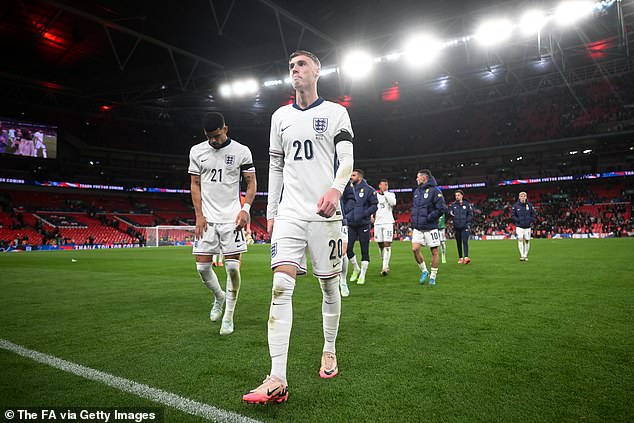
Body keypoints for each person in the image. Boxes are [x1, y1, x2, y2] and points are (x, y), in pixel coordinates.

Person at [243, 50, 354, 405]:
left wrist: (336, 189)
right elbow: (275, 167)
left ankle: (330, 347)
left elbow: (347, 158)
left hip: (324, 214)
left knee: (329, 286)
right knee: (280, 287)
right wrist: (272, 211)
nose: (295, 70)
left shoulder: (336, 112)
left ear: (317, 70)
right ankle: (277, 377)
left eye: (302, 64)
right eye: (291, 66)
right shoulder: (279, 117)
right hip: (290, 212)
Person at [189, 112, 257, 335]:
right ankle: (219, 297)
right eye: (210, 137)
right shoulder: (197, 151)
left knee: (231, 267)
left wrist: (245, 209)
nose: (214, 141)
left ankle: (228, 316)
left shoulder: (241, 151)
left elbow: (251, 183)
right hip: (207, 219)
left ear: (225, 129)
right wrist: (199, 215)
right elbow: (195, 184)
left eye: (217, 135)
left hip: (231, 218)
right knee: (202, 268)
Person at [411, 169, 447, 285]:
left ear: (423, 178)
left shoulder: (435, 191)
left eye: (418, 177)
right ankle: (424, 271)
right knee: (415, 249)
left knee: (434, 252)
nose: (416, 179)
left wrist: (429, 217)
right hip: (418, 227)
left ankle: (433, 276)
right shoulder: (416, 192)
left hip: (430, 227)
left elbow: (442, 208)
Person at [345, 169, 378, 285]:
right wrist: (348, 216)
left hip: (364, 224)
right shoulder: (349, 189)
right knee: (347, 249)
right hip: (351, 224)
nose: (351, 177)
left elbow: (374, 206)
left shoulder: (369, 190)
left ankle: (362, 274)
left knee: (365, 250)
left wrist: (364, 214)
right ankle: (356, 268)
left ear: (359, 177)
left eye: (353, 175)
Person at [374, 179, 396, 276]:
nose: (385, 186)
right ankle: (385, 263)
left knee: (387, 243)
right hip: (378, 223)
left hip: (388, 223)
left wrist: (386, 192)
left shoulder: (391, 195)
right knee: (380, 244)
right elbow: (372, 206)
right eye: (383, 185)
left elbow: (393, 203)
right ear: (379, 186)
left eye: (386, 185)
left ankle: (384, 267)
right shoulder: (375, 196)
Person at [449, 190, 473, 264]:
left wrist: (466, 221)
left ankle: (466, 257)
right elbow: (449, 213)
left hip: (464, 226)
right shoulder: (453, 205)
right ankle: (460, 258)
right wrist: (449, 213)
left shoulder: (466, 204)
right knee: (458, 243)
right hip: (456, 227)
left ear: (462, 195)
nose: (457, 197)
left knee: (465, 242)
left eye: (458, 195)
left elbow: (470, 214)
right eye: (456, 195)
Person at [512, 191, 535, 261]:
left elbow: (533, 214)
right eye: (521, 196)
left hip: (527, 226)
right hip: (519, 226)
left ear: (526, 197)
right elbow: (513, 215)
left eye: (524, 196)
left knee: (527, 240)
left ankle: (525, 254)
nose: (523, 198)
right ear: (519, 197)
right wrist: (518, 220)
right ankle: (522, 255)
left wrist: (530, 220)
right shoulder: (515, 206)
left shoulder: (530, 205)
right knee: (520, 239)